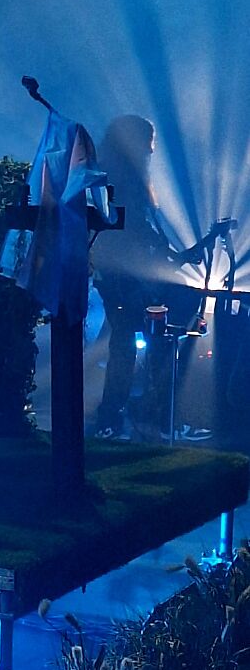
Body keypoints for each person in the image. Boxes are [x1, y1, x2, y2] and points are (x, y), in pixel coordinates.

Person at [91, 115, 210, 442]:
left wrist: (175, 258)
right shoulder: (117, 179)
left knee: (131, 343)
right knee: (130, 344)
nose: (151, 149)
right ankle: (137, 416)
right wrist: (169, 259)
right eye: (148, 141)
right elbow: (128, 233)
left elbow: (145, 236)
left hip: (123, 276)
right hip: (120, 277)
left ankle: (133, 416)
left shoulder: (127, 178)